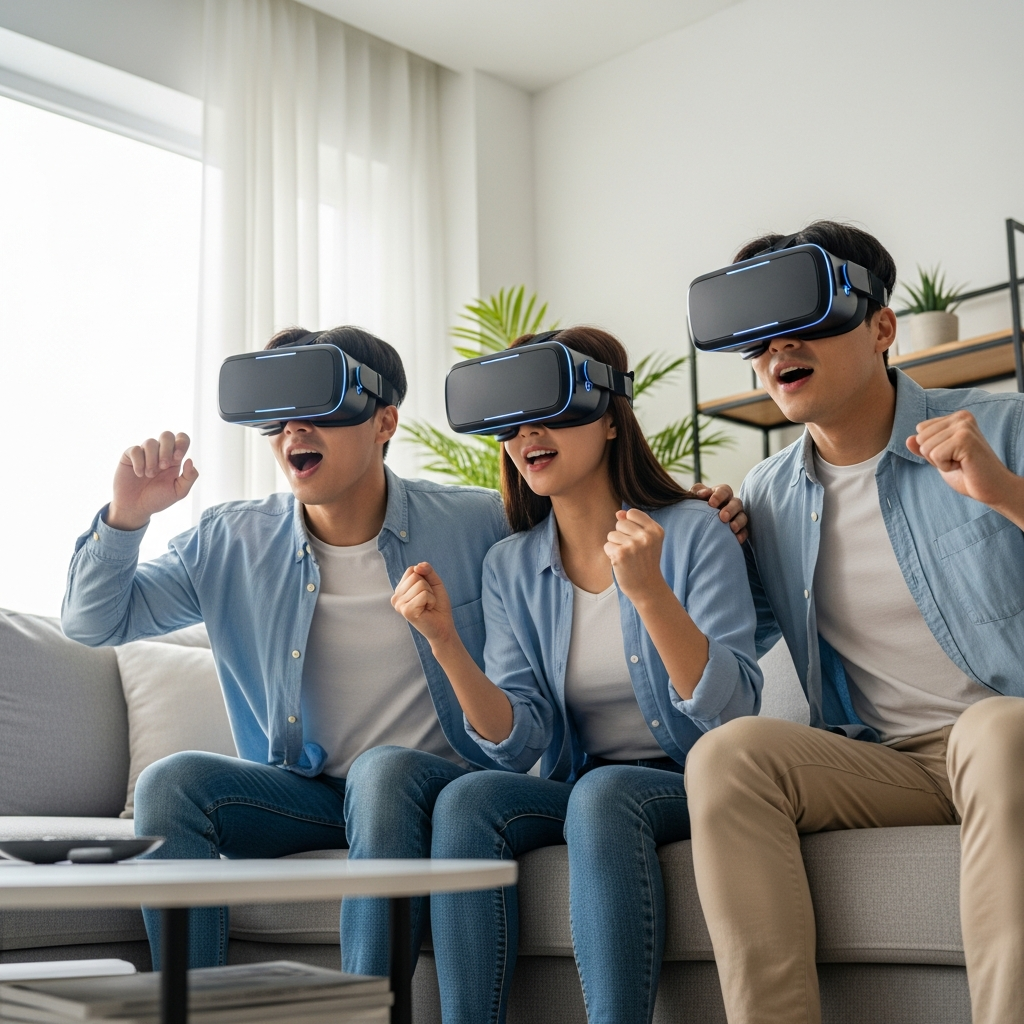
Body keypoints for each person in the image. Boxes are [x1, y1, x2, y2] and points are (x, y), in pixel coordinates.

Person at [61, 325, 511, 974]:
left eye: (318, 409)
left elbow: (592, 544)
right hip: (310, 794)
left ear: (385, 421)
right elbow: (90, 623)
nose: (293, 432)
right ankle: (197, 1012)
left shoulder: (480, 522)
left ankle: (364, 1016)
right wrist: (126, 518)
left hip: (432, 789)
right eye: (277, 418)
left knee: (384, 771)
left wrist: (699, 513)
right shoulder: (230, 541)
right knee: (171, 783)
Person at [682, 221, 1024, 1024]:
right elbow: (724, 678)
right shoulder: (764, 496)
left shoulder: (1002, 430)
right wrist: (698, 561)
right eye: (758, 342)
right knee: (727, 756)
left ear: (881, 327)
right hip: (886, 763)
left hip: (1009, 737)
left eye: (803, 325)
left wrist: (1004, 491)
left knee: (994, 733)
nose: (777, 353)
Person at [370, 326, 761, 1024]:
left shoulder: (695, 531)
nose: (528, 435)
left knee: (605, 792)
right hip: (578, 788)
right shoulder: (510, 566)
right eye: (510, 424)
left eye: (549, 410)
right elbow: (518, 744)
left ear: (612, 420)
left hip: (696, 779)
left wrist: (649, 593)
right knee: (468, 801)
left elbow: (732, 714)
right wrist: (445, 644)